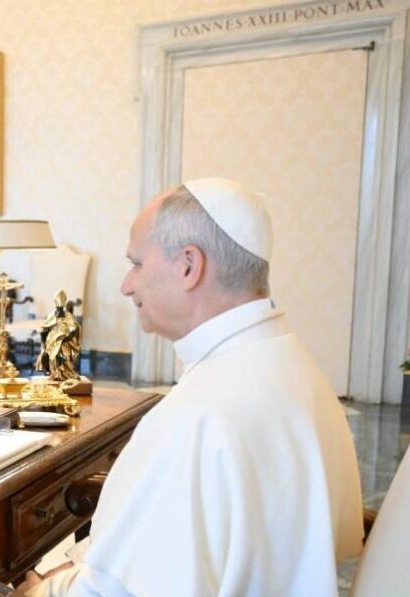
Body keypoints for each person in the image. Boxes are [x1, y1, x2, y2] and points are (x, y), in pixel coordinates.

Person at [24, 178, 363, 596]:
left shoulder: (197, 415)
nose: (126, 285)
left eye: (137, 264)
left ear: (189, 265)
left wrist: (37, 590)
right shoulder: (294, 364)